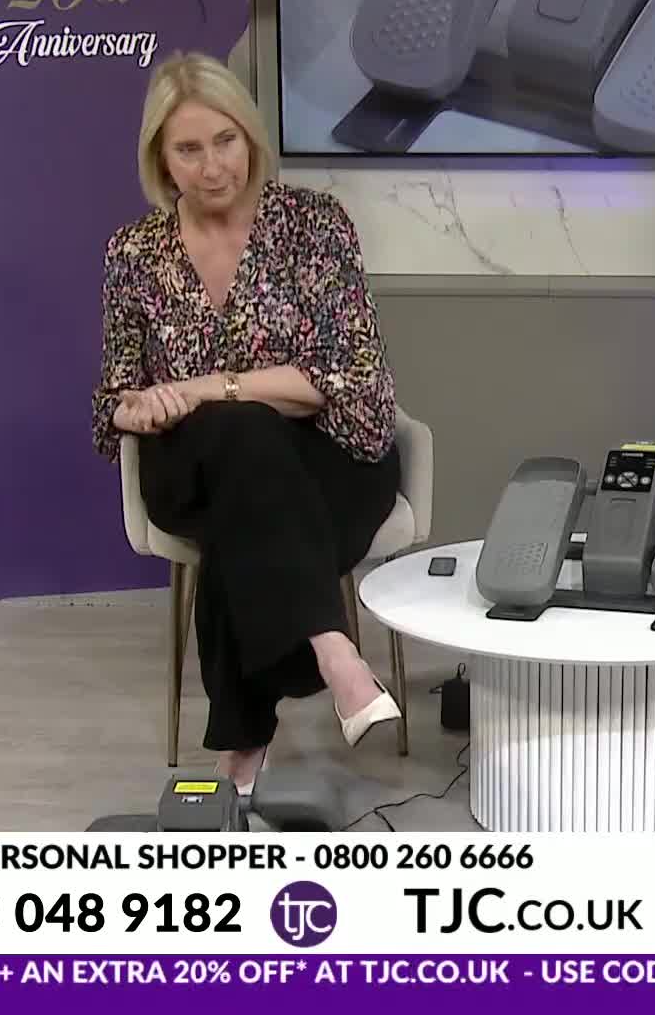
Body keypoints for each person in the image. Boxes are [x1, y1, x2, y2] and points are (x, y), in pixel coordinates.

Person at [91, 52, 403, 793]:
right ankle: (333, 650)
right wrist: (137, 405)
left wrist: (201, 386)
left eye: (225, 141)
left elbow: (348, 376)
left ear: (251, 137)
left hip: (332, 459)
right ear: (161, 160)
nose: (211, 166)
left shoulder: (315, 226)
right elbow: (113, 398)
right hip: (193, 467)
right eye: (188, 149)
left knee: (246, 469)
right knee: (240, 437)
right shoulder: (134, 252)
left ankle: (242, 738)